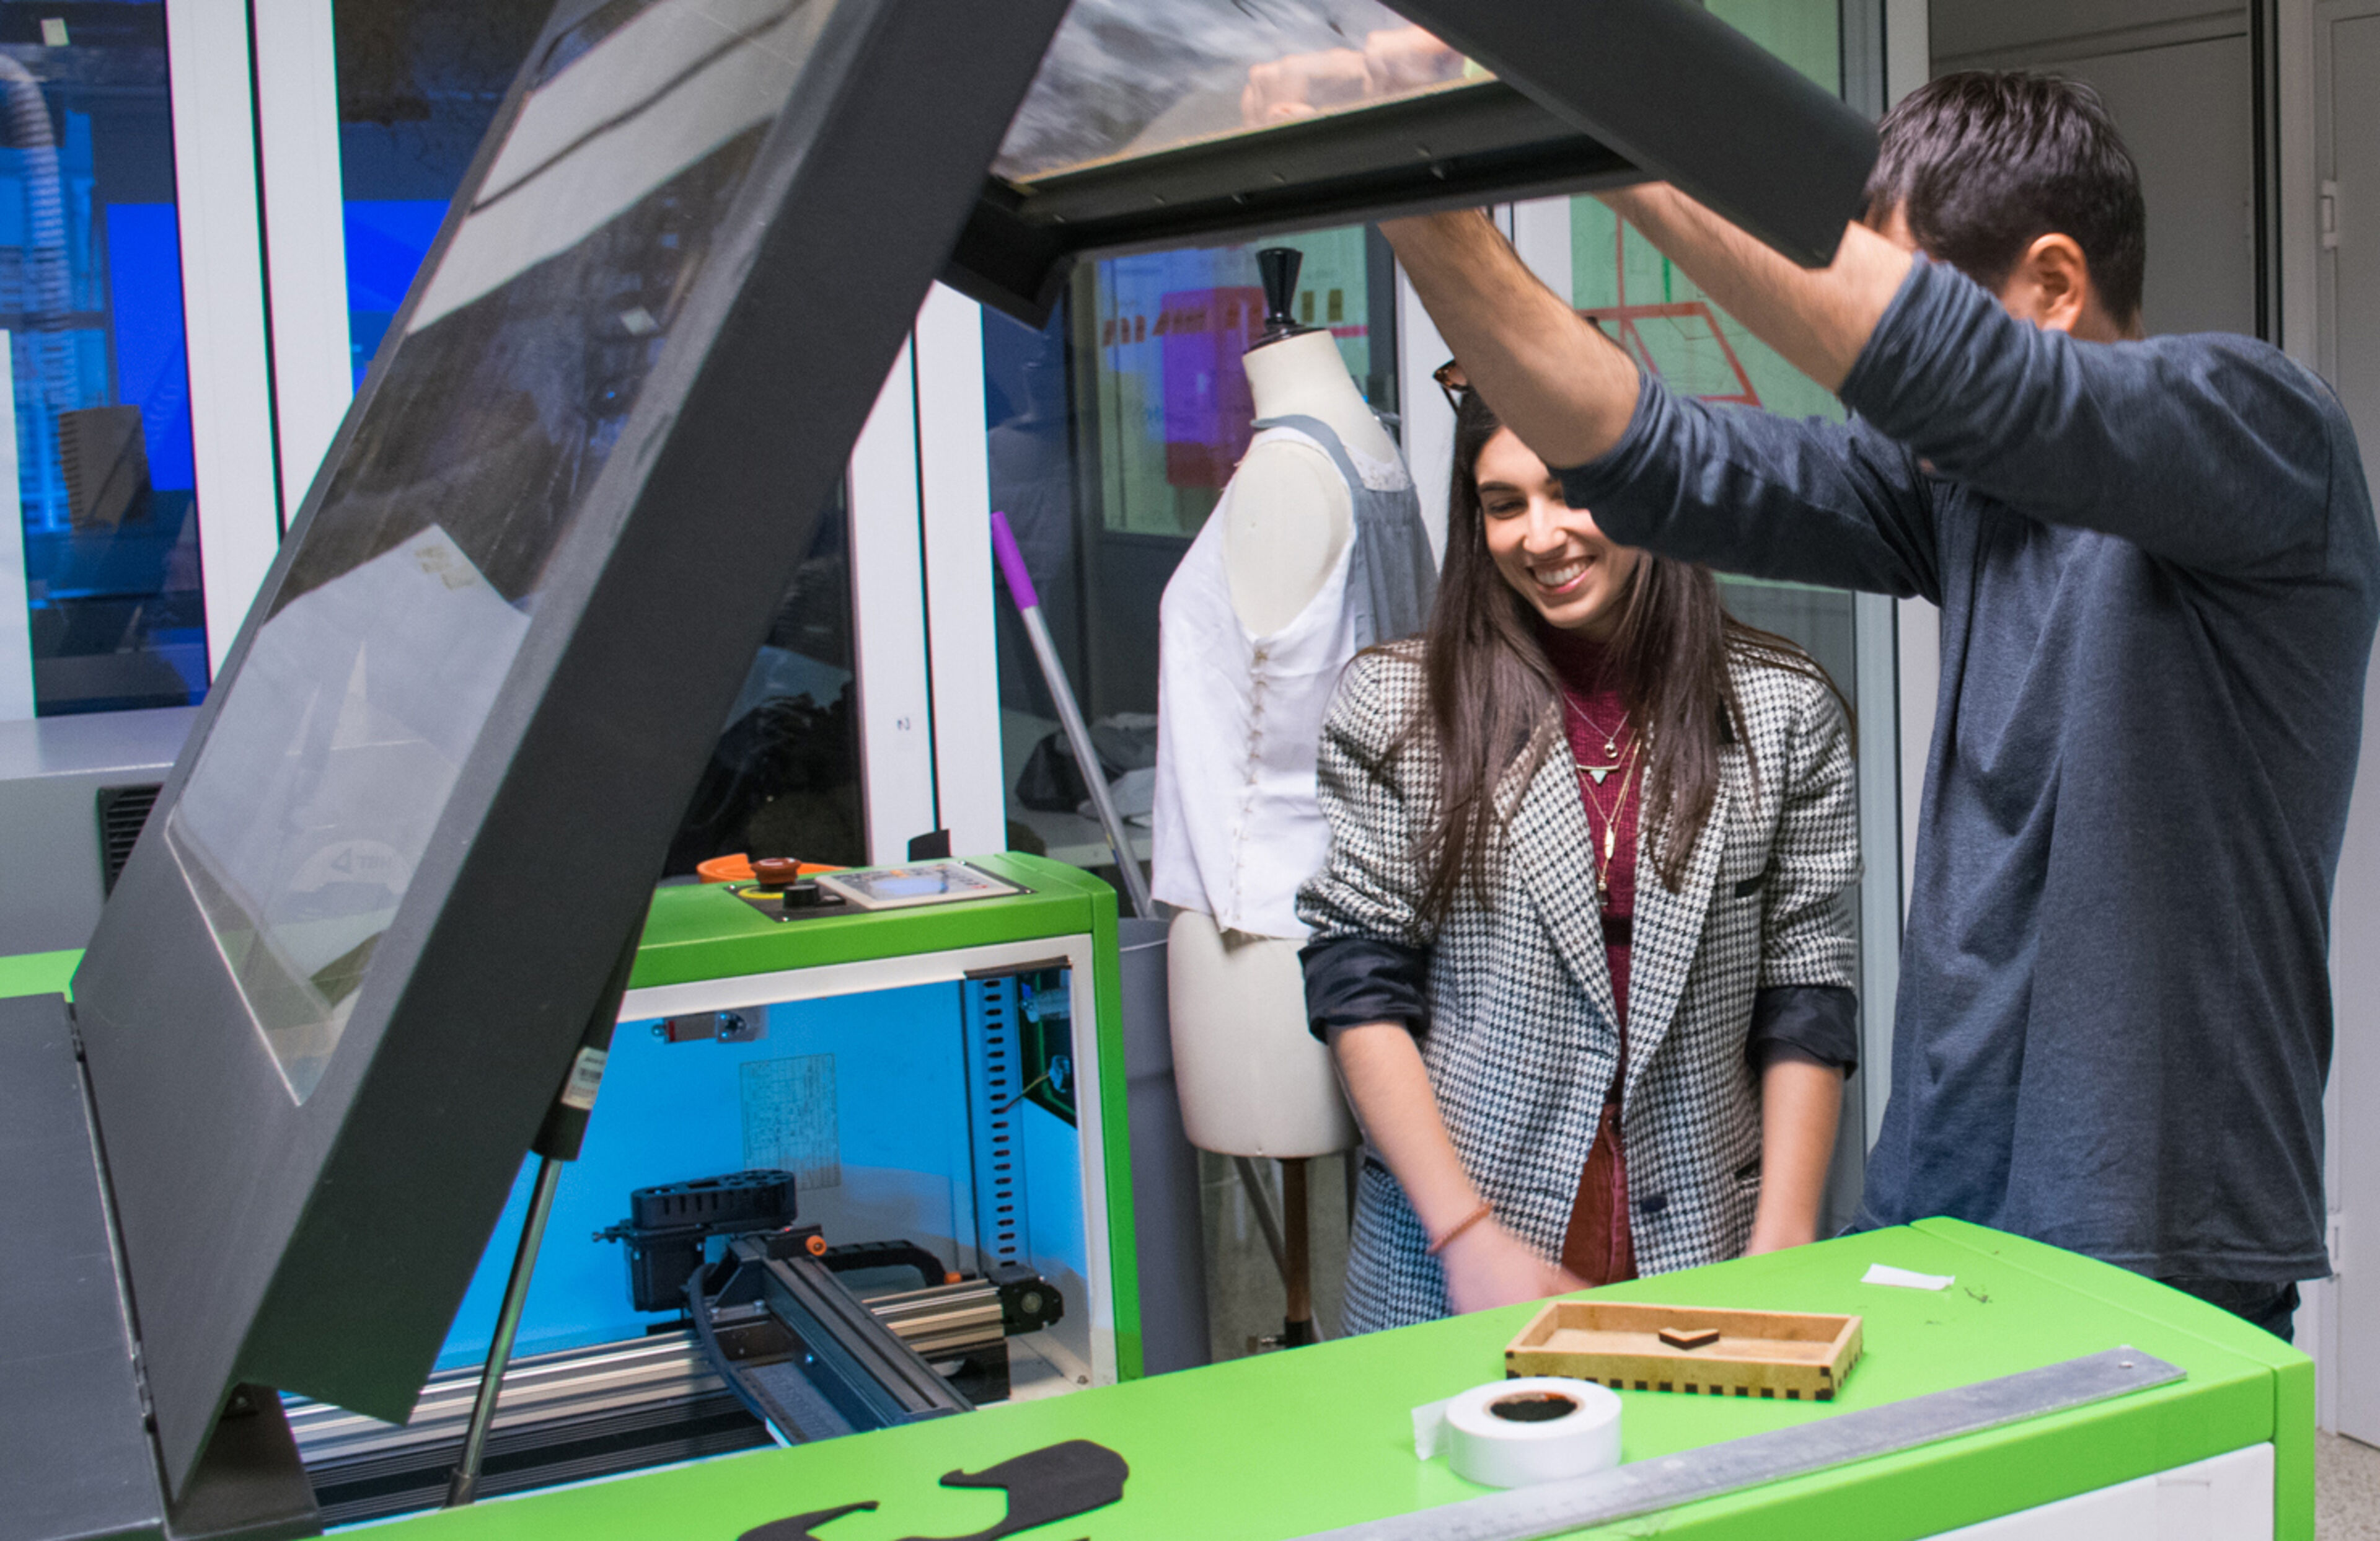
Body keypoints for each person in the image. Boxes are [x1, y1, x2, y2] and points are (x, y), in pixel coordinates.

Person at [1381, 72, 2380, 1338]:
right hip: (1939, 1225)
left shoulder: (2265, 436)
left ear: (2055, 287)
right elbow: (1647, 457)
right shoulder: (1963, 500)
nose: (1863, 382)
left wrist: (1600, 115)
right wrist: (1420, 201)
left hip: (2161, 1252)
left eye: (1896, 286)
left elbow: (1959, 377)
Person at [1297, 384, 1861, 1329]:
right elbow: (1358, 986)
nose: (1540, 534)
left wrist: (1784, 1245)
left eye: (1572, 491)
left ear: (1649, 487)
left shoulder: (1783, 709)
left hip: (1706, 1248)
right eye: (1504, 503)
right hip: (1456, 1255)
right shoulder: (1399, 707)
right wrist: (1467, 1234)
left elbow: (1805, 993)